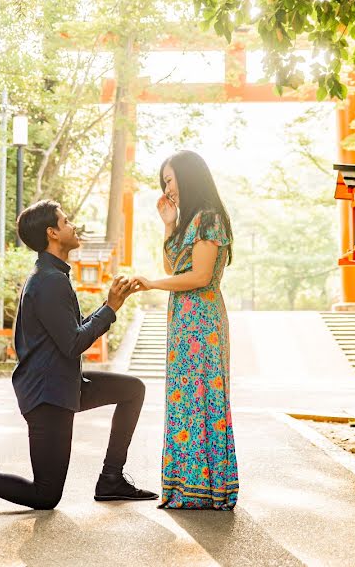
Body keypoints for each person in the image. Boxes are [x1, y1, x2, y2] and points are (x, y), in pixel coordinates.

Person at [0, 200, 157, 510]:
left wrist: (108, 306)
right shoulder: (48, 280)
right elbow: (73, 343)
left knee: (132, 390)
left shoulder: (53, 275)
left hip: (63, 383)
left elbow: (68, 333)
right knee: (46, 495)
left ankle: (111, 479)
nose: (72, 225)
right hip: (47, 395)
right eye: (65, 221)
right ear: (53, 233)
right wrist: (111, 307)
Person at [131, 150, 238, 510]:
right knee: (183, 401)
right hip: (182, 321)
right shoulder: (190, 220)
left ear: (189, 177)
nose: (167, 188)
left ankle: (209, 489)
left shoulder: (209, 217)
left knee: (202, 399)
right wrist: (169, 224)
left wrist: (151, 284)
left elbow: (200, 276)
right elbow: (176, 265)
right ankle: (183, 488)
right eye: (164, 183)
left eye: (170, 180)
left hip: (202, 322)